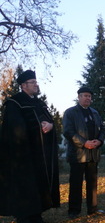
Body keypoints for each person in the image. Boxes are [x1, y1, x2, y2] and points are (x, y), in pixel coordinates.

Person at [0, 70, 60, 223]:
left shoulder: (39, 103)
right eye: (33, 82)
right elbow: (15, 130)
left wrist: (51, 126)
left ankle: (36, 215)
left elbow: (50, 122)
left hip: (41, 157)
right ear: (23, 85)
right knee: (26, 188)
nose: (36, 84)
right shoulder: (15, 103)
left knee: (38, 187)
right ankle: (25, 217)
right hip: (23, 157)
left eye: (36, 81)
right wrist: (39, 128)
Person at [63, 87, 105, 218]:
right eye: (85, 96)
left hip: (93, 153)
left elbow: (103, 128)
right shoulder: (70, 113)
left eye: (89, 96)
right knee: (76, 183)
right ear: (79, 97)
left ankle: (92, 208)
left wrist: (99, 140)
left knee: (92, 183)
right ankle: (74, 210)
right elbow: (68, 131)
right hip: (78, 154)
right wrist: (84, 143)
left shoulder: (95, 113)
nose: (87, 98)